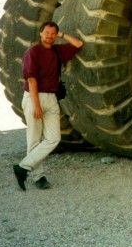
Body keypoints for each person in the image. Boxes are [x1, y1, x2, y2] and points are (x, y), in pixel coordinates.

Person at [12, 21, 83, 191]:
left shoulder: (58, 51)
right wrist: (36, 106)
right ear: (40, 33)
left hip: (51, 98)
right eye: (46, 33)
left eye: (53, 33)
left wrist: (62, 35)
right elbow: (31, 80)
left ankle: (22, 167)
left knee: (53, 138)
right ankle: (38, 177)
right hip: (33, 97)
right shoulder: (33, 52)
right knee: (34, 138)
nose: (49, 36)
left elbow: (79, 44)